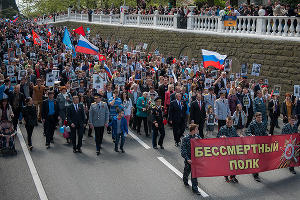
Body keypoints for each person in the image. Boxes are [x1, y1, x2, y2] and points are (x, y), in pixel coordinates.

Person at [246, 112, 270, 182]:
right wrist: (251, 135)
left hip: (261, 144)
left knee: (259, 159)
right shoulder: (252, 124)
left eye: (261, 117)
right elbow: (247, 132)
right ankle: (255, 175)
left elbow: (264, 132)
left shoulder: (262, 124)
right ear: (255, 117)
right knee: (255, 159)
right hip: (254, 144)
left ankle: (255, 171)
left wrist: (267, 135)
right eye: (258, 117)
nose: (260, 119)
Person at [217, 116, 240, 183]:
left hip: (233, 149)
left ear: (232, 122)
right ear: (226, 122)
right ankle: (226, 176)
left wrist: (241, 137)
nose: (229, 123)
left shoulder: (233, 128)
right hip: (225, 149)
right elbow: (217, 137)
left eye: (230, 122)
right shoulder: (222, 128)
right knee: (226, 163)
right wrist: (221, 137)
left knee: (234, 163)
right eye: (227, 122)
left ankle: (233, 176)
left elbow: (236, 136)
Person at [181, 123, 201, 195]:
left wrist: (198, 140)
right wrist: (187, 159)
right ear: (193, 130)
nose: (198, 130)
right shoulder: (185, 138)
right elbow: (183, 150)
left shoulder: (197, 136)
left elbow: (203, 144)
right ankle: (185, 180)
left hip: (195, 160)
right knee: (187, 171)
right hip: (189, 160)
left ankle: (195, 189)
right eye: (196, 129)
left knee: (194, 174)